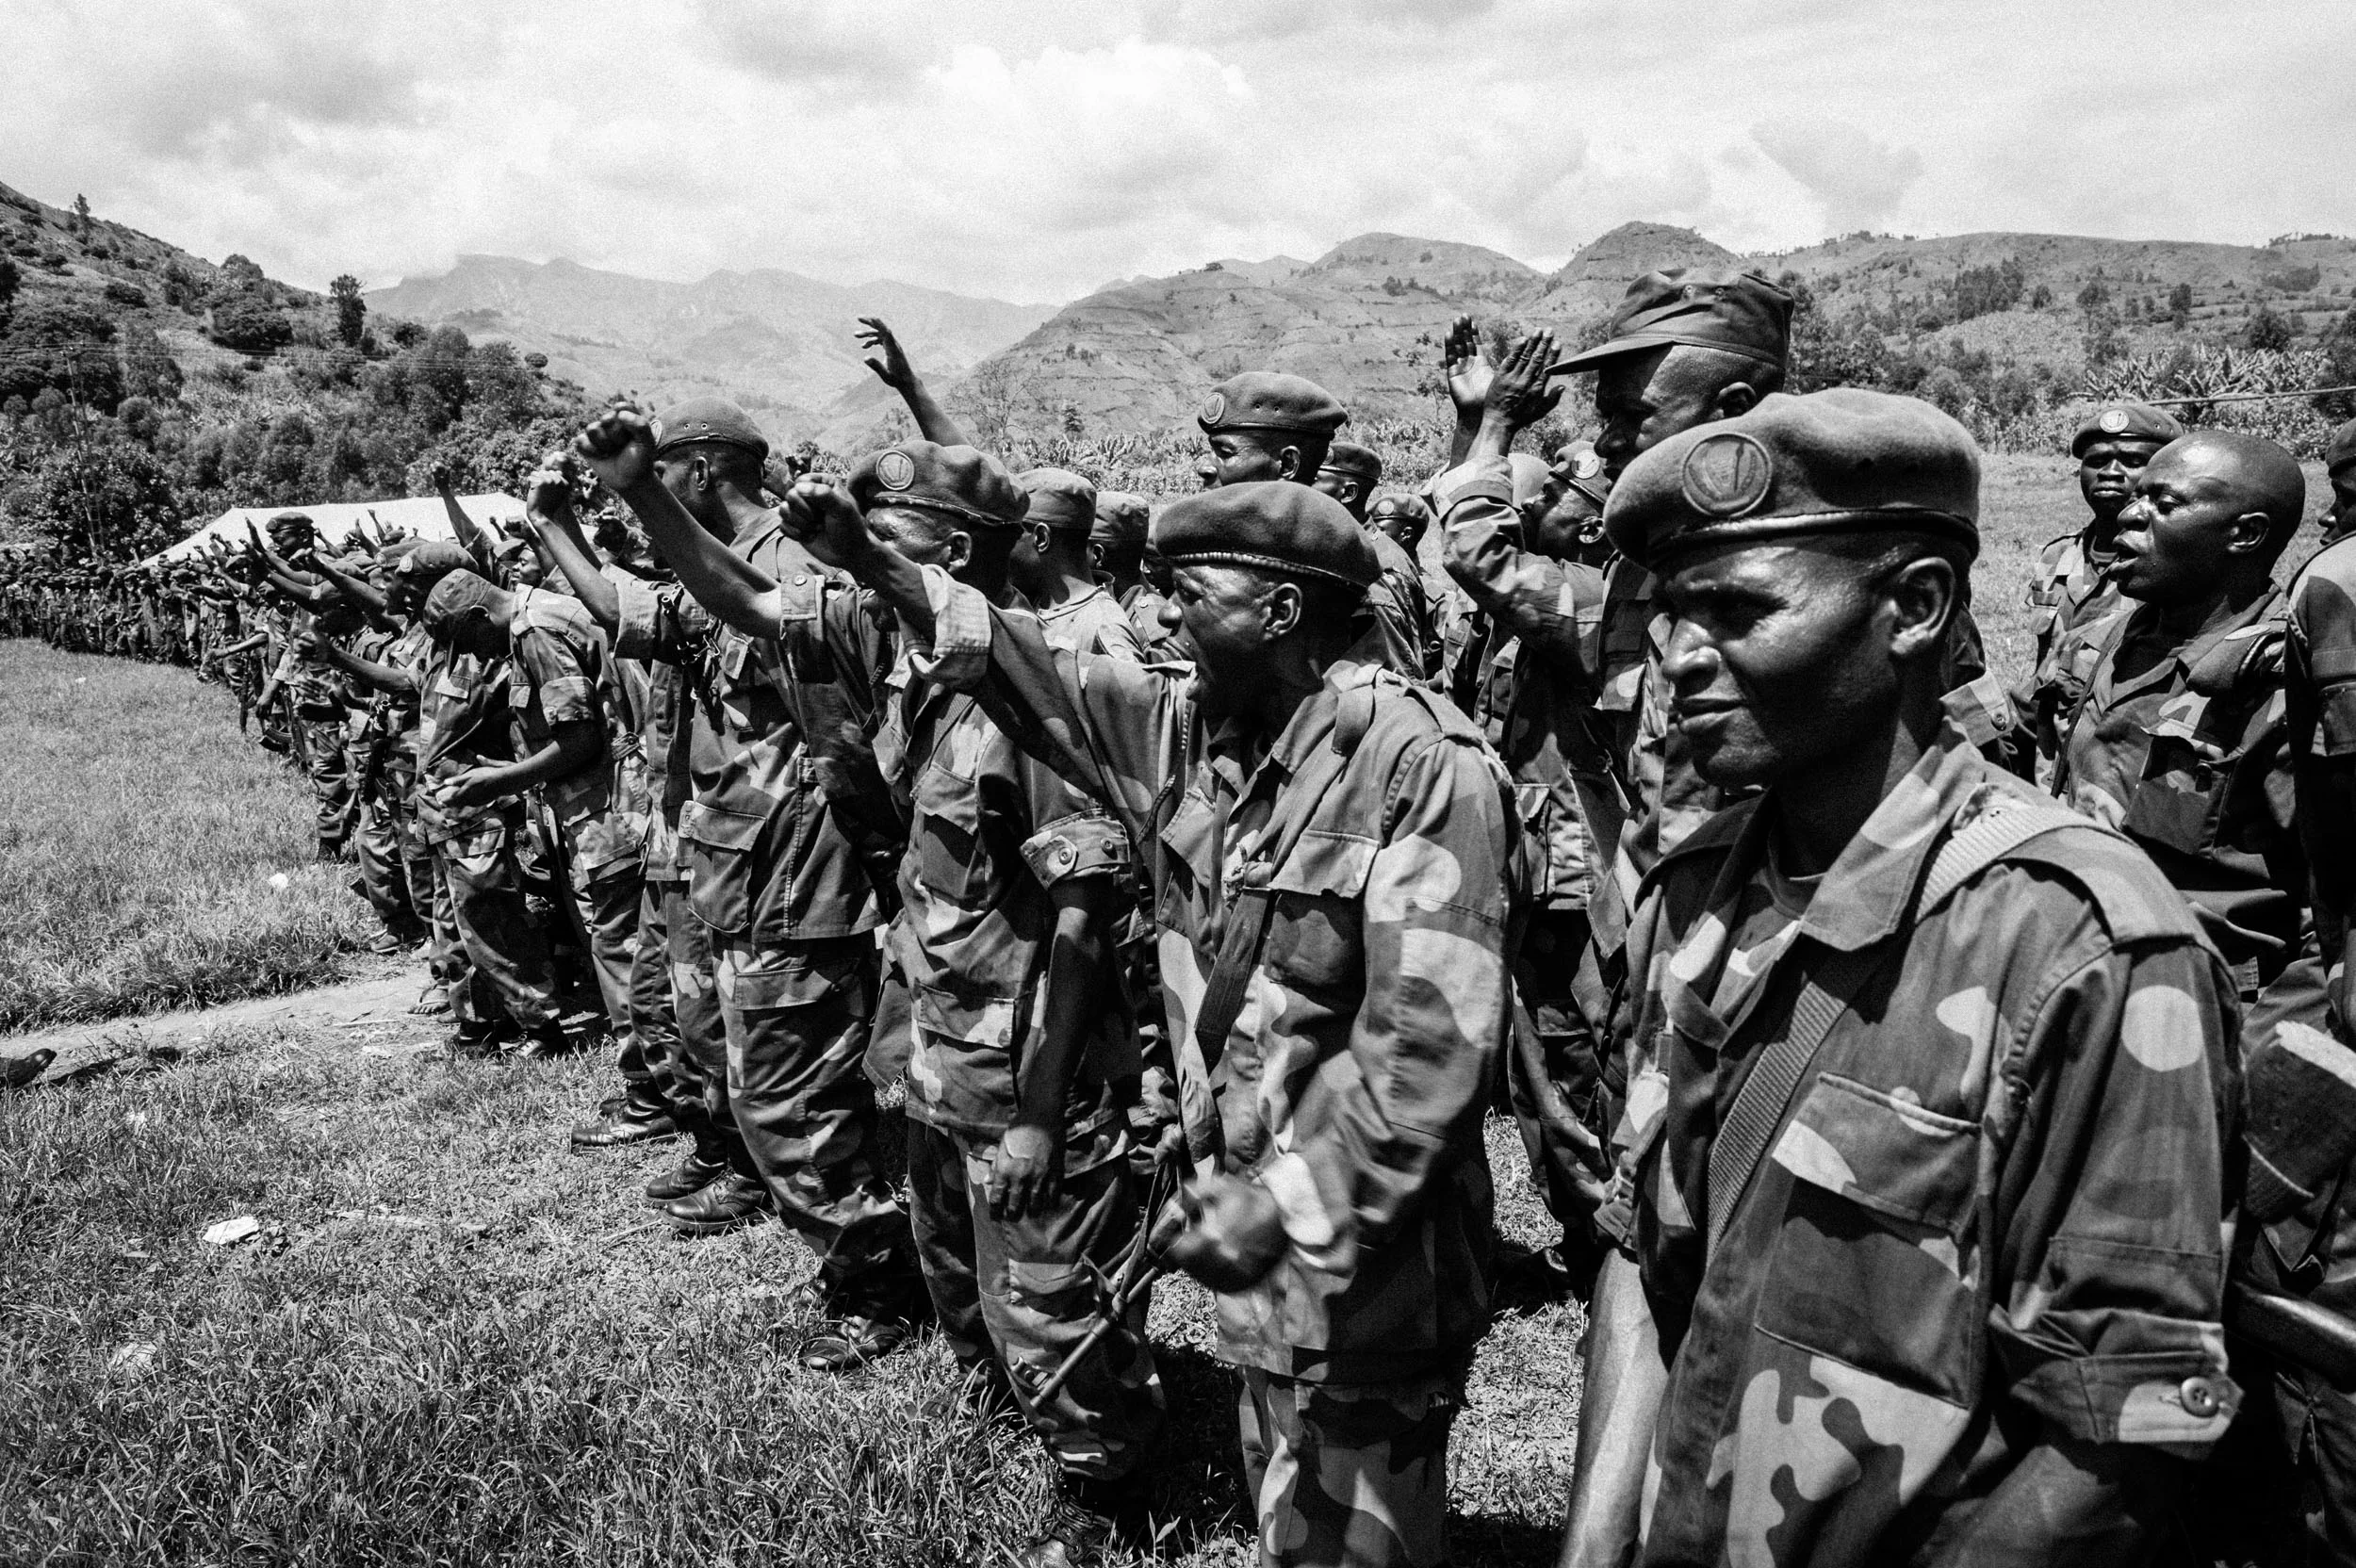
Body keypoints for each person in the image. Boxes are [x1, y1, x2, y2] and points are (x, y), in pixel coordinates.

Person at [777, 469, 1517, 1568]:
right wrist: (873, 560)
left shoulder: (1418, 765)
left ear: (1279, 612)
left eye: (1187, 595)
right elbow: (1029, 664)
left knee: (1352, 1526)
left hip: (1363, 1245)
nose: (1159, 617)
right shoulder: (1199, 726)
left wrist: (1281, 1208)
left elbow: (1426, 1057)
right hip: (1248, 1207)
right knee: (1289, 1486)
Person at [1586, 386, 2241, 1564]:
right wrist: (1593, 1544)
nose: (1678, 660)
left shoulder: (2080, 941)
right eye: (1672, 614)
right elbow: (1642, 1247)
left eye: (1736, 610)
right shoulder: (1693, 883)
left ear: (1915, 606)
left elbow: (2118, 1434)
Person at [573, 397, 926, 1366]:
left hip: (799, 874)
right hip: (745, 866)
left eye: (666, 472)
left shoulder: (792, 560)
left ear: (695, 469)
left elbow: (775, 642)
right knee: (768, 1082)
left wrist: (634, 490)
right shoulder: (730, 556)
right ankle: (860, 1249)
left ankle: (878, 1281)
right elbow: (652, 610)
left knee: (789, 1092)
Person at [1432, 333, 1624, 1310]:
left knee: (1584, 1065)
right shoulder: (1522, 619)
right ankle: (1590, 1241)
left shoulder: (1592, 607)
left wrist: (1495, 423)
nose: (1519, 504)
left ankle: (1616, 1253)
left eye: (1538, 501)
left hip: (1584, 882)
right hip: (1535, 868)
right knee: (1543, 1068)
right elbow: (1468, 527)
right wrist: (1475, 420)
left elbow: (1473, 539)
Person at [2038, 430, 2306, 998]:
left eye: (2163, 505)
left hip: (2206, 1002)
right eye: (2136, 498)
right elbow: (2004, 739)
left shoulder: (2287, 687)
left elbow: (2335, 910)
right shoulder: (2098, 641)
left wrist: (2262, 1055)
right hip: (2072, 976)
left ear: (2246, 534)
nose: (2128, 517)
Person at [2019, 402, 2185, 756]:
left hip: (2125, 754)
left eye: (2133, 461)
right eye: (2096, 462)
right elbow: (2044, 669)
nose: (2111, 472)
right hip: (2051, 752)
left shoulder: (2177, 570)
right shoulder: (2057, 557)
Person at [1318, 439, 1439, 681]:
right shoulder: (1337, 547)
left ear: (1349, 493)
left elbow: (1401, 676)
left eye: (1314, 480)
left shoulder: (1376, 567)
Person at [1013, 466, 1149, 660]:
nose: (1005, 544)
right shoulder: (1036, 603)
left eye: (1014, 533)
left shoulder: (1104, 627)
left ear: (1041, 538)